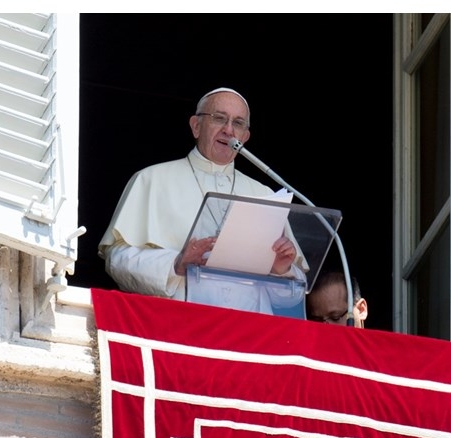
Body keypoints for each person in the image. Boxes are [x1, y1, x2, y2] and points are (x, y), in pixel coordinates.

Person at [98, 87, 306, 315]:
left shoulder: (264, 194)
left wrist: (280, 269)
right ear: (196, 126)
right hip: (180, 322)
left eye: (238, 123)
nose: (228, 130)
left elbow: (293, 297)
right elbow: (116, 259)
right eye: (219, 118)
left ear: (245, 137)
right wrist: (176, 264)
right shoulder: (151, 179)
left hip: (250, 329)